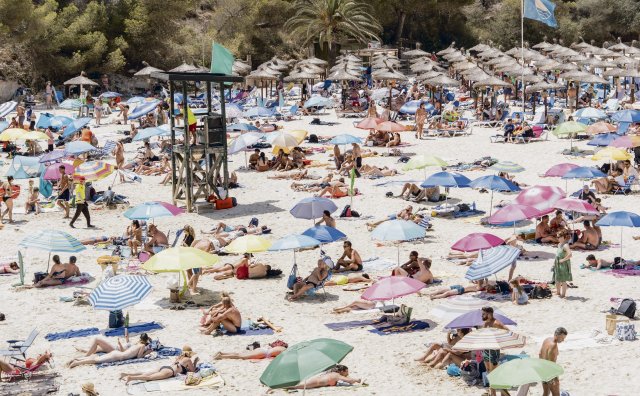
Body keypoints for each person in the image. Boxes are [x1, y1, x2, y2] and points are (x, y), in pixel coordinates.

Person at [120, 346, 197, 384]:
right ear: (189, 354)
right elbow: (192, 371)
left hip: (165, 367)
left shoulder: (178, 358)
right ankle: (130, 378)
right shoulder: (188, 360)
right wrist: (195, 362)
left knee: (146, 373)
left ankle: (126, 374)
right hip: (169, 372)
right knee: (149, 377)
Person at [68, 333, 151, 368]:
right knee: (96, 360)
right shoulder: (142, 346)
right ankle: (77, 362)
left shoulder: (137, 344)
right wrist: (147, 352)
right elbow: (139, 357)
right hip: (118, 356)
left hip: (117, 353)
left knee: (97, 358)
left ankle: (78, 359)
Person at [482, 307, 507, 396]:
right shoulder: (485, 323)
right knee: (489, 372)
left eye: (484, 314)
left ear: (489, 314)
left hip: (493, 350)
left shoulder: (496, 323)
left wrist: (499, 341)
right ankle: (493, 392)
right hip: (485, 349)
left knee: (493, 374)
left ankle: (497, 393)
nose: (482, 315)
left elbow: (507, 331)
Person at [539, 327, 568, 396]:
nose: (563, 340)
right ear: (557, 335)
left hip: (542, 371)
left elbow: (540, 353)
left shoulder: (547, 340)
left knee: (546, 393)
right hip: (550, 374)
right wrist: (555, 379)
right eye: (562, 338)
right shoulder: (553, 345)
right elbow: (551, 365)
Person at [285, 365, 361, 390]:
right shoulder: (336, 375)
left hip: (315, 381)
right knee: (295, 386)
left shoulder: (332, 373)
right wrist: (358, 380)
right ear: (342, 371)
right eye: (346, 372)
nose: (347, 373)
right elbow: (350, 381)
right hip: (314, 383)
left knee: (295, 386)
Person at [74, 333, 149, 357]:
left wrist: (120, 344)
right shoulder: (137, 344)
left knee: (97, 339)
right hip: (116, 347)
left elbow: (124, 351)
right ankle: (84, 350)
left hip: (116, 349)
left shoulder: (140, 346)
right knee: (97, 348)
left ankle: (86, 356)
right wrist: (127, 339)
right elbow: (129, 346)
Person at [213, 340, 288, 360]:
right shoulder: (284, 352)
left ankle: (223, 353)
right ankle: (221, 356)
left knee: (240, 354)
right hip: (264, 353)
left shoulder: (281, 348)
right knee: (241, 357)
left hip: (263, 349)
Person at [553, 231, 573, 298]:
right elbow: (557, 254)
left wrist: (563, 260)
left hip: (563, 264)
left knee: (563, 280)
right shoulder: (559, 244)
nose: (557, 238)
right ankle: (558, 292)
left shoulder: (565, 245)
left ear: (563, 237)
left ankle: (563, 294)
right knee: (557, 278)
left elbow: (570, 254)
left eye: (559, 237)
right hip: (557, 263)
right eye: (557, 236)